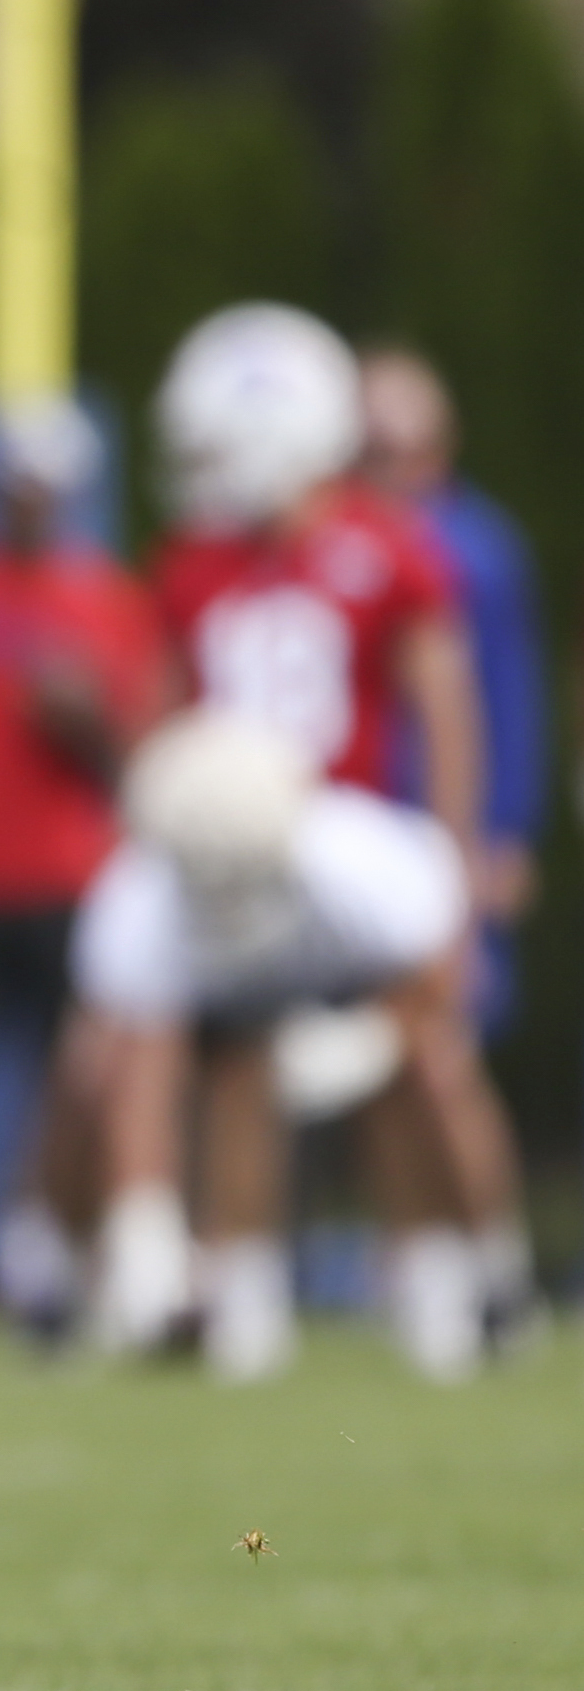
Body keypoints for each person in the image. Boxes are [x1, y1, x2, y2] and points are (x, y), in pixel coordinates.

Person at [74, 710, 493, 1382]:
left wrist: (366, 1044)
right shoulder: (138, 905)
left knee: (429, 1072)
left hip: (362, 991)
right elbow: (139, 1083)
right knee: (237, 1075)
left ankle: (468, 1273)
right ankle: (244, 1293)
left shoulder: (370, 861)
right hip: (241, 1018)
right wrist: (146, 1239)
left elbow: (439, 988)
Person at [0, 399, 164, 1330]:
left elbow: (141, 754)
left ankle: (67, 1255)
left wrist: (85, 719)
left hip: (70, 875)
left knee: (85, 1076)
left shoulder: (109, 602)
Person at [355, 347, 546, 1341]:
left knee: (442, 1053)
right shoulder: (343, 543)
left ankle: (498, 1268)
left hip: (441, 835)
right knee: (382, 1060)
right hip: (363, 839)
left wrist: (500, 832)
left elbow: (507, 704)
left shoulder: (474, 548)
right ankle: (421, 1267)